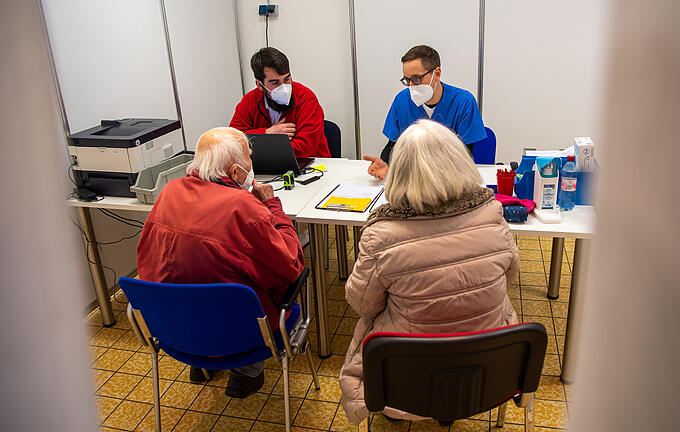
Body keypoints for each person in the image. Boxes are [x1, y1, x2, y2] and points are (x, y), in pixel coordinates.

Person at [339, 120, 519, 424]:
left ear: (398, 173)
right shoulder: (492, 215)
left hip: (406, 380)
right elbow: (508, 278)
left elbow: (363, 305)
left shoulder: (382, 235)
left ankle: (400, 413)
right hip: (489, 369)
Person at [136, 127, 304, 398]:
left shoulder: (169, 191)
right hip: (240, 331)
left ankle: (200, 363)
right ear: (236, 173)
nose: (252, 165)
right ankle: (246, 373)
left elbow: (146, 257)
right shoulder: (243, 206)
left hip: (174, 327)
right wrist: (273, 206)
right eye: (249, 159)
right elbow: (290, 265)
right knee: (262, 287)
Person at [365, 45, 486, 179]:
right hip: (412, 181)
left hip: (449, 180)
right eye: (407, 79)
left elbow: (465, 156)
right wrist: (386, 165)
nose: (411, 85)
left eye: (416, 78)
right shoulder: (402, 100)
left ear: (437, 74)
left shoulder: (463, 102)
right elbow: (392, 145)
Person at [230, 47, 331, 158]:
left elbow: (304, 149)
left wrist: (262, 143)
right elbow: (232, 140)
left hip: (310, 166)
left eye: (287, 79)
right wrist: (267, 133)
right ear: (259, 84)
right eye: (275, 82)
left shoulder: (306, 98)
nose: (284, 87)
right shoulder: (249, 101)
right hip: (265, 168)